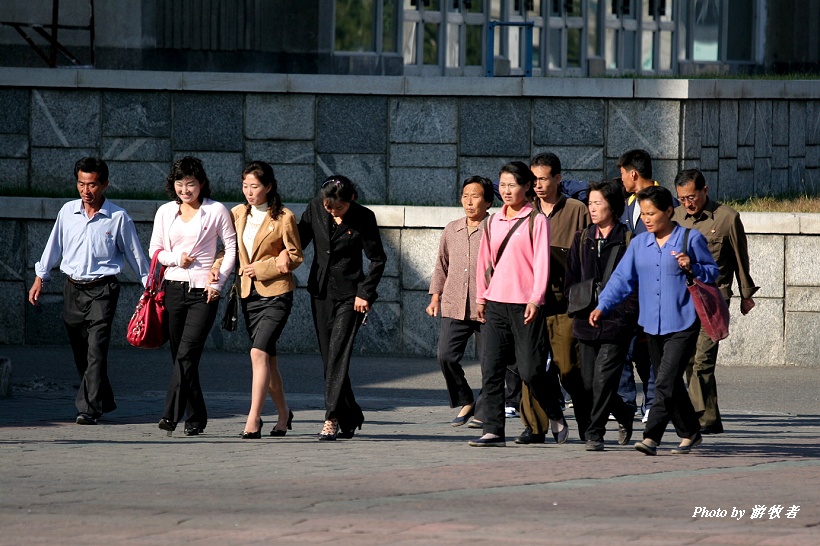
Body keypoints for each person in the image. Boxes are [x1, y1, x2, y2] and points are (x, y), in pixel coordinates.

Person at [590, 186, 719, 455]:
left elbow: (712, 273)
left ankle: (652, 437)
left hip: (683, 321)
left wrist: (691, 266)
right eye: (643, 214)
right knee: (669, 382)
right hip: (651, 323)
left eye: (652, 213)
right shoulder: (639, 244)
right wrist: (603, 306)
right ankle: (691, 433)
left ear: (669, 212)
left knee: (663, 380)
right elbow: (622, 279)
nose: (646, 219)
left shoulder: (689, 239)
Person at [28, 157, 149, 425]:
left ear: (104, 184)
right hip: (72, 288)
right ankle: (103, 398)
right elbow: (53, 247)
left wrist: (150, 289)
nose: (86, 191)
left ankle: (89, 409)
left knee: (96, 350)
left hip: (103, 290)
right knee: (81, 351)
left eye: (92, 185)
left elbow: (137, 258)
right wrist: (40, 277)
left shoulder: (118, 218)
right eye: (81, 184)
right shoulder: (67, 212)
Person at [470, 161, 567, 447]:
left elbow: (541, 264)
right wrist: (480, 298)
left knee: (530, 370)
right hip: (495, 303)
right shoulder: (491, 222)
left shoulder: (537, 220)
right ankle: (493, 430)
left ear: (527, 187)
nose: (507, 190)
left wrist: (536, 300)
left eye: (513, 185)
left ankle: (553, 411)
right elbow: (483, 263)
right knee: (491, 369)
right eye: (502, 185)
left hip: (526, 305)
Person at [150, 157, 236, 436]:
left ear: (201, 184)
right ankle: (196, 416)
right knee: (180, 357)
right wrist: (176, 259)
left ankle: (170, 415)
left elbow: (231, 248)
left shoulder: (216, 211)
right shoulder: (165, 212)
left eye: (191, 184)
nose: (185, 190)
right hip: (173, 288)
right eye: (179, 184)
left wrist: (218, 283)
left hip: (204, 292)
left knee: (186, 354)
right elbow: (156, 251)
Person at [298, 175, 387, 441]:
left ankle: (332, 417)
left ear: (352, 200)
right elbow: (298, 240)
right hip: (321, 291)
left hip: (351, 296)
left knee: (338, 353)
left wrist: (365, 293)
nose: (333, 211)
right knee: (330, 358)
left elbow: (377, 259)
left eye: (339, 207)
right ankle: (352, 415)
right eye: (329, 206)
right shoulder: (315, 207)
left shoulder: (364, 217)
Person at [673, 168, 758, 435]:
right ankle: (710, 418)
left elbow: (739, 258)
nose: (688, 203)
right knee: (687, 360)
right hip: (683, 299)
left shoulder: (727, 218)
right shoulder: (675, 218)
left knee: (703, 360)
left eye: (691, 197)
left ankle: (697, 418)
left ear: (704, 191)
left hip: (714, 298)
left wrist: (746, 295)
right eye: (682, 198)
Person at [515, 152, 591, 445]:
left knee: (569, 368)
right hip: (529, 302)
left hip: (564, 303)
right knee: (530, 367)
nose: (537, 185)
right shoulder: (524, 211)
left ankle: (587, 422)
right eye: (532, 179)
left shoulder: (576, 210)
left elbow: (587, 257)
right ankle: (534, 426)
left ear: (558, 179)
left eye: (543, 178)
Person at [227, 161, 303, 438]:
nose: (249, 192)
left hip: (277, 295)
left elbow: (295, 256)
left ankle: (253, 418)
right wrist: (217, 267)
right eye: (245, 186)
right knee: (268, 361)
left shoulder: (284, 217)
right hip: (249, 295)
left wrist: (265, 267)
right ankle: (284, 413)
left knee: (257, 353)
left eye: (255, 186)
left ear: (268, 187)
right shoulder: (237, 214)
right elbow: (229, 249)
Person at [565, 180, 638, 450]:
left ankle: (595, 433)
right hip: (585, 320)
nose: (592, 208)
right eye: (590, 203)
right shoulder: (582, 238)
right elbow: (570, 279)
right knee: (588, 382)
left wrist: (625, 314)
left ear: (613, 207)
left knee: (604, 378)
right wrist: (578, 306)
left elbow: (635, 284)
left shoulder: (629, 240)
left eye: (598, 203)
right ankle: (623, 411)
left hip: (616, 322)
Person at [426, 176, 494, 426]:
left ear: (487, 201)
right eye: (465, 195)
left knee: (490, 363)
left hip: (486, 305)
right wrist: (435, 297)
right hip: (455, 303)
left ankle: (484, 412)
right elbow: (441, 265)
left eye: (475, 196)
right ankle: (466, 399)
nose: (469, 201)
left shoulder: (495, 228)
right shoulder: (451, 229)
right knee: (446, 356)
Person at [616, 149, 661, 422]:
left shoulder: (664, 201)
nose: (620, 179)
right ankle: (625, 402)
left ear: (633, 173)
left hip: (654, 288)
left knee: (654, 350)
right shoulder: (626, 203)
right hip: (629, 290)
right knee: (622, 345)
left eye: (622, 173)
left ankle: (653, 402)